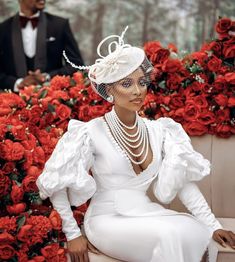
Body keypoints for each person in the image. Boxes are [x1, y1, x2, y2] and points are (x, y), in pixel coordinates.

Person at [36, 27, 235, 262]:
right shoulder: (90, 132)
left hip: (146, 212)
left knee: (191, 233)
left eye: (142, 82)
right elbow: (57, 183)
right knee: (169, 235)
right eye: (127, 84)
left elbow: (183, 184)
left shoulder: (160, 131)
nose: (138, 91)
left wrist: (211, 225)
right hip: (105, 220)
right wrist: (72, 234)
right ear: (109, 89)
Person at [0, 0, 84, 92]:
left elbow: (76, 64)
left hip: (53, 99)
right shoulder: (3, 29)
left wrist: (48, 77)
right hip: (12, 101)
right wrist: (18, 83)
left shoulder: (59, 25)